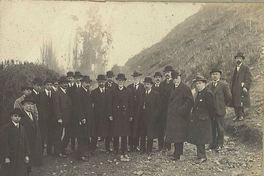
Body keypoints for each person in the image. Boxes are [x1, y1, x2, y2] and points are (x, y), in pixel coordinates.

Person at [165, 70, 194, 161]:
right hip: (173, 116)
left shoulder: (185, 88)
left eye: (177, 78)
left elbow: (190, 101)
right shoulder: (172, 87)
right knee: (175, 135)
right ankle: (177, 153)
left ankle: (178, 154)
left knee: (179, 135)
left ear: (180, 77)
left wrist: (181, 110)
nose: (176, 80)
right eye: (174, 78)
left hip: (181, 117)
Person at [188, 75, 214, 163]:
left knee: (201, 139)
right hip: (197, 120)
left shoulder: (207, 93)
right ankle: (199, 155)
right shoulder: (199, 93)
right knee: (198, 138)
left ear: (204, 84)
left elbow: (211, 109)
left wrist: (206, 117)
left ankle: (203, 156)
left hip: (204, 120)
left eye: (199, 83)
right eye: (196, 83)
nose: (198, 85)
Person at [108, 73, 132, 161]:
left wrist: (131, 115)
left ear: (124, 81)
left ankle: (124, 150)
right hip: (116, 115)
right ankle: (116, 149)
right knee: (116, 133)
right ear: (117, 81)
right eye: (119, 80)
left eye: (122, 80)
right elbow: (109, 104)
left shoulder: (128, 91)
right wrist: (110, 114)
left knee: (124, 134)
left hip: (125, 116)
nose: (120, 82)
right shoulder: (113, 91)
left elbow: (131, 104)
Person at [207, 68, 232, 151]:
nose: (214, 76)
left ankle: (220, 144)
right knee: (212, 127)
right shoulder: (209, 85)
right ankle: (213, 144)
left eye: (216, 74)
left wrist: (223, 105)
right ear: (211, 75)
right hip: (211, 111)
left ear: (220, 75)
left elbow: (228, 97)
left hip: (220, 110)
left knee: (220, 128)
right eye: (213, 74)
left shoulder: (224, 85)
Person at [1, 109, 30, 176]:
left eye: (19, 116)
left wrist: (27, 155)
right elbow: (4, 144)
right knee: (11, 172)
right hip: (11, 156)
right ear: (11, 117)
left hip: (21, 155)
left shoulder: (22, 128)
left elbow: (26, 142)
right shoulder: (6, 128)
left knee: (21, 172)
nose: (17, 117)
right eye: (15, 116)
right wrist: (6, 157)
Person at [138, 77, 160, 157]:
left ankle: (149, 150)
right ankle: (142, 149)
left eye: (148, 84)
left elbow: (158, 107)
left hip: (151, 118)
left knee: (150, 135)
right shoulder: (142, 93)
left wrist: (154, 116)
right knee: (142, 134)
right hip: (143, 118)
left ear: (151, 85)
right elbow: (139, 106)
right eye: (145, 84)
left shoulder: (155, 94)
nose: (146, 86)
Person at [91, 75, 112, 153]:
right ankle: (93, 148)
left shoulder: (109, 92)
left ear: (105, 82)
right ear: (97, 82)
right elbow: (91, 105)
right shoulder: (94, 92)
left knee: (107, 132)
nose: (101, 83)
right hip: (97, 116)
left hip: (107, 116)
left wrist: (110, 114)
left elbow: (111, 104)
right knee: (95, 132)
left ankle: (107, 148)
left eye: (103, 81)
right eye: (100, 81)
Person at [53, 76, 72, 157]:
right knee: (58, 135)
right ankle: (58, 152)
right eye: (63, 83)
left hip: (68, 118)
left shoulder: (67, 92)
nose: (65, 84)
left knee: (68, 134)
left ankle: (62, 149)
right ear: (60, 84)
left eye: (66, 83)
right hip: (60, 118)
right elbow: (56, 106)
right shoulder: (57, 93)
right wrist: (59, 118)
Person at [20, 96, 42, 166]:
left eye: (32, 104)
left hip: (34, 139)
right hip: (26, 139)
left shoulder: (33, 114)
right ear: (23, 105)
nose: (30, 106)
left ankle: (35, 161)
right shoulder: (21, 116)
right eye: (28, 104)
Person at [75, 76, 94, 161]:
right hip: (82, 118)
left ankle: (85, 153)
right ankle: (80, 155)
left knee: (86, 135)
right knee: (81, 137)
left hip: (88, 118)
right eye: (86, 82)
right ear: (82, 82)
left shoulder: (87, 91)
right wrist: (82, 117)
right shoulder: (78, 92)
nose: (88, 84)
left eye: (89, 83)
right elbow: (78, 106)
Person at [231, 52, 253, 121]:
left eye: (240, 58)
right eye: (237, 58)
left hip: (241, 88)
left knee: (241, 101)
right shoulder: (235, 68)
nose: (238, 59)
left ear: (242, 59)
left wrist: (245, 86)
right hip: (234, 88)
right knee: (235, 101)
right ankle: (237, 115)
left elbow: (249, 78)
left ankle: (241, 115)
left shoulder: (245, 68)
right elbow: (232, 79)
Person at [127, 71, 145, 152]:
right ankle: (130, 145)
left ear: (139, 78)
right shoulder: (129, 87)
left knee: (138, 128)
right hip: (131, 111)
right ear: (133, 78)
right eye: (134, 77)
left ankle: (136, 145)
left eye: (137, 77)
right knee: (130, 128)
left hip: (140, 111)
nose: (135, 78)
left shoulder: (143, 87)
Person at [38, 78, 55, 155]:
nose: (49, 86)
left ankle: (49, 151)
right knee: (42, 135)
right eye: (48, 85)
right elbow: (38, 107)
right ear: (44, 85)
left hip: (52, 119)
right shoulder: (40, 95)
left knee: (51, 135)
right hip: (43, 119)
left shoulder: (54, 94)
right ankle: (40, 152)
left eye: (51, 85)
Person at [160, 65, 175, 151]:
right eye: (166, 73)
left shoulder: (174, 83)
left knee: (170, 127)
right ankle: (164, 145)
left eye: (168, 73)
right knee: (163, 127)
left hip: (172, 109)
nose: (167, 74)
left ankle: (169, 145)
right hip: (163, 109)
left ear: (171, 73)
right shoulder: (162, 84)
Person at [152, 71, 164, 151]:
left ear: (161, 78)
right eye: (156, 77)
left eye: (159, 77)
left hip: (162, 111)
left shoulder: (163, 87)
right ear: (154, 78)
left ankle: (161, 146)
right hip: (152, 111)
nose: (157, 79)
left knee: (161, 129)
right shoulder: (151, 87)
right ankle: (152, 145)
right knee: (152, 128)